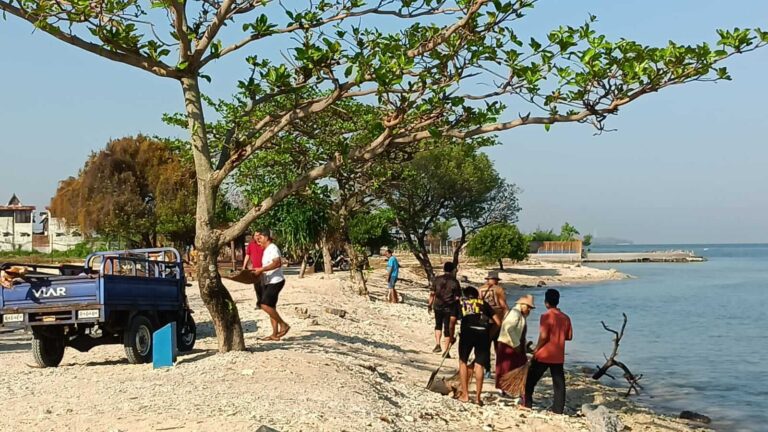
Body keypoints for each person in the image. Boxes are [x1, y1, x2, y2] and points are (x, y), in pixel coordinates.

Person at [524, 288, 573, 414]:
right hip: (558, 355)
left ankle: (527, 404)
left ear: (546, 302)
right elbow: (569, 336)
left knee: (531, 380)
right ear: (558, 301)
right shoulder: (565, 317)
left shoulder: (546, 316)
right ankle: (558, 410)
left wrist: (536, 350)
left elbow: (544, 336)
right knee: (559, 384)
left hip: (544, 354)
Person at [457, 286, 502, 406]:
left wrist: (451, 336)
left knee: (462, 362)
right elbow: (498, 322)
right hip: (483, 333)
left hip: (467, 333)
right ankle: (477, 398)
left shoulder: (462, 303)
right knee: (479, 365)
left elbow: (452, 320)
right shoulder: (484, 304)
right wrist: (490, 334)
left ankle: (465, 395)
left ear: (465, 296)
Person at [252, 230, 290, 341]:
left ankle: (284, 325)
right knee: (271, 307)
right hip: (269, 281)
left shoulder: (273, 248)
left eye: (260, 238)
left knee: (264, 305)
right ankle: (274, 334)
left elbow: (277, 263)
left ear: (266, 237)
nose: (259, 240)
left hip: (276, 281)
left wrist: (262, 269)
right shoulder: (267, 250)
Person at [495, 294, 535, 399]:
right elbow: (509, 328)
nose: (529, 310)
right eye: (528, 307)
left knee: (516, 366)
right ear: (522, 304)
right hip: (508, 344)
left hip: (515, 344)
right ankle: (504, 388)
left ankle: (512, 388)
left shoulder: (520, 315)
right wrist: (516, 344)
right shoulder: (515, 313)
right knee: (507, 367)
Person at [479, 271, 509, 375]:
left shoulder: (480, 289)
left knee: (485, 346)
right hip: (498, 320)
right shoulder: (499, 289)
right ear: (496, 280)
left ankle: (487, 369)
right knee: (498, 346)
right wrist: (507, 318)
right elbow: (503, 305)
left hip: (484, 320)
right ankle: (499, 368)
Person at [428, 262, 462, 355]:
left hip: (437, 305)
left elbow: (432, 294)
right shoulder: (454, 282)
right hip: (449, 307)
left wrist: (429, 305)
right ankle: (446, 351)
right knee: (447, 328)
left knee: (438, 325)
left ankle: (438, 344)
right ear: (452, 270)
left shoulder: (437, 279)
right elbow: (458, 297)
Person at [243, 230, 265, 304]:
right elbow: (247, 255)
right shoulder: (251, 245)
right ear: (253, 236)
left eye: (259, 235)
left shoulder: (265, 244)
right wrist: (244, 266)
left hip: (265, 269)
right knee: (257, 287)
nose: (258, 237)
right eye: (256, 235)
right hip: (254, 269)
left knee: (264, 286)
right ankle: (259, 302)